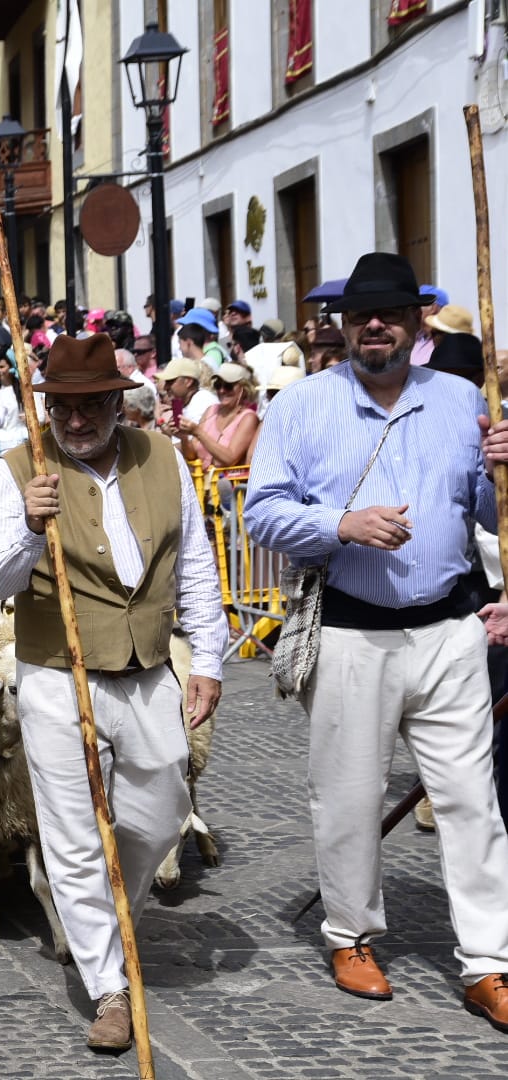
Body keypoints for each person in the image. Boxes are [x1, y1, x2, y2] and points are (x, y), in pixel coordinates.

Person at [245, 251, 508, 1032]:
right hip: (353, 631)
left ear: (417, 324)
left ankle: (490, 961)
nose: (374, 327)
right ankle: (350, 935)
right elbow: (261, 511)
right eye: (360, 316)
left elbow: (489, 515)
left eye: (390, 314)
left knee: (470, 801)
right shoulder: (301, 408)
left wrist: (504, 472)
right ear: (343, 325)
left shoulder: (463, 401)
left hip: (450, 629)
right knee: (350, 799)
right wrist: (340, 525)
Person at [0, 332, 226, 1054]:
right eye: (63, 407)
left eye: (91, 405)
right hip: (58, 672)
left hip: (146, 667)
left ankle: (110, 930)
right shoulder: (17, 471)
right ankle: (110, 988)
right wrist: (28, 524)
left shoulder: (163, 459)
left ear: (119, 401)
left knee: (158, 812)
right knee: (77, 836)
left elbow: (197, 566)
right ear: (46, 408)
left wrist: (207, 658)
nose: (76, 420)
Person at [174, 361, 259, 475]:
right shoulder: (211, 410)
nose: (221, 390)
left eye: (228, 386)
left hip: (229, 488)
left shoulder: (248, 418)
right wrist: (183, 436)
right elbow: (192, 455)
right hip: (202, 484)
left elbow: (230, 458)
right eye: (218, 385)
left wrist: (198, 432)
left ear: (244, 389)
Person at [155, 357, 219, 428]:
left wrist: (161, 422)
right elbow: (177, 438)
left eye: (170, 381)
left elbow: (195, 438)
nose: (165, 387)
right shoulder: (180, 402)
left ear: (188, 381)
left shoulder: (203, 402)